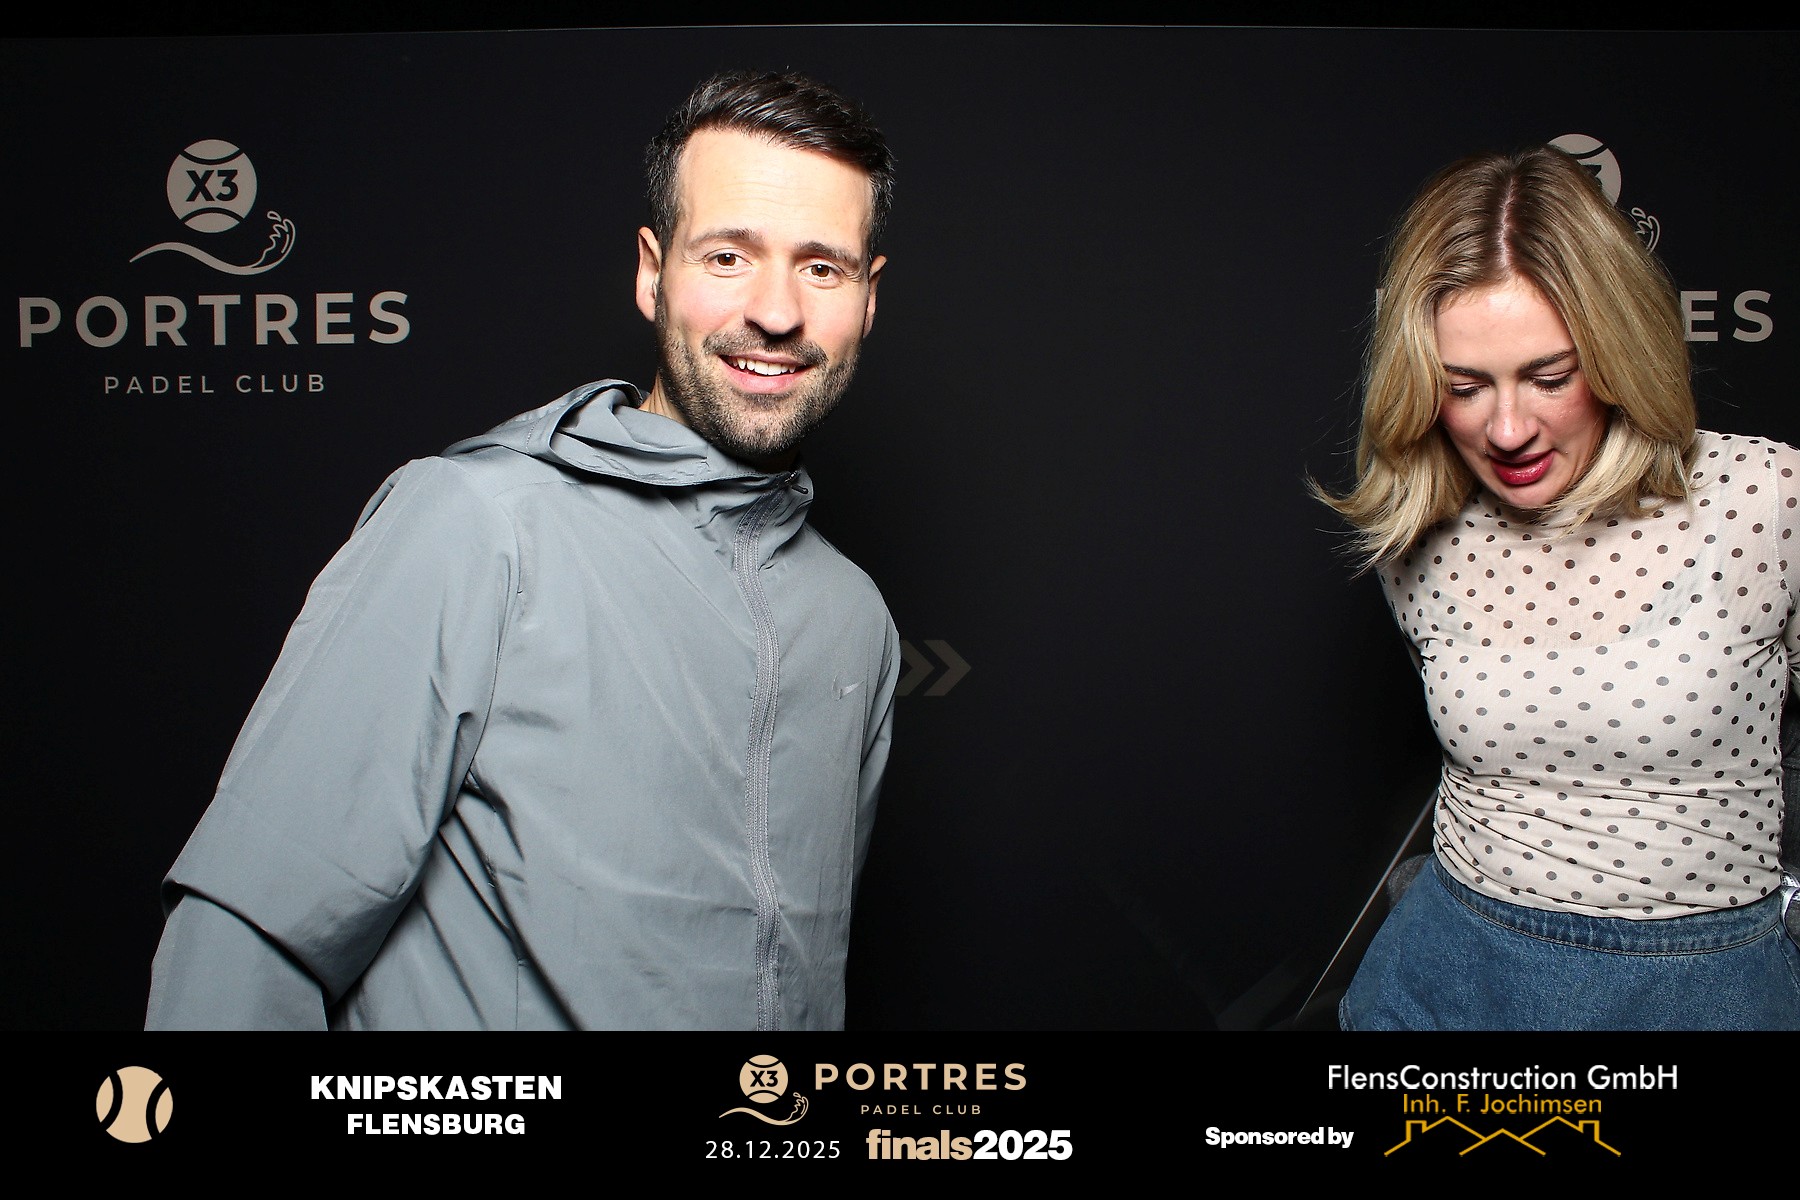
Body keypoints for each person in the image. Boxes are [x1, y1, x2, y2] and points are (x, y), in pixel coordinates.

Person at [146, 70, 900, 1030]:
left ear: (868, 298)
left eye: (822, 268)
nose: (777, 312)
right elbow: (245, 944)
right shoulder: (474, 526)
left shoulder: (853, 616)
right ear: (652, 273)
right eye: (727, 257)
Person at [1322, 146, 1800, 1030]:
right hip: (1449, 974)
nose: (1507, 429)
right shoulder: (1422, 530)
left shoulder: (1765, 499)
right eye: (1465, 387)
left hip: (1699, 987)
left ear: (1620, 351)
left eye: (1550, 377)